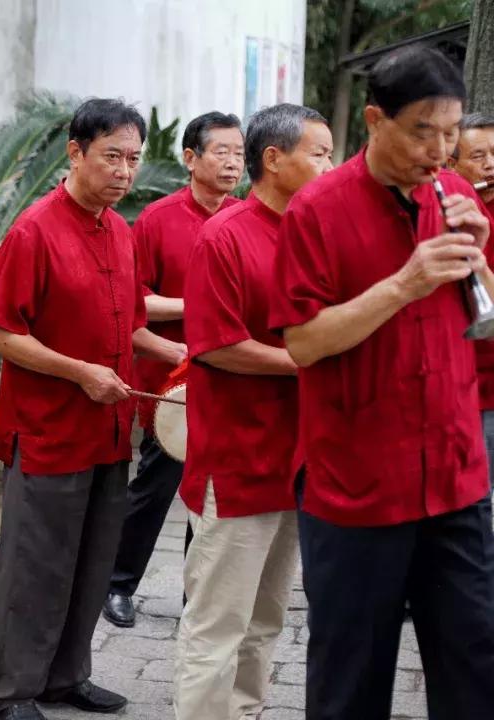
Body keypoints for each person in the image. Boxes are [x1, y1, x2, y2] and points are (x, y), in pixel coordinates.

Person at [269, 47, 494, 719]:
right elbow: (303, 343)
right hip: (357, 487)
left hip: (454, 475)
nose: (440, 151)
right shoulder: (316, 210)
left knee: (476, 667)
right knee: (350, 680)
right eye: (423, 132)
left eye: (450, 134)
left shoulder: (455, 195)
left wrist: (481, 264)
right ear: (375, 120)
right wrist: (403, 285)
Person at [0, 98, 155, 720]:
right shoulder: (34, 231)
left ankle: (65, 677)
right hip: (48, 431)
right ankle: (9, 691)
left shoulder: (122, 231)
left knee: (91, 561)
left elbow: (133, 324)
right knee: (36, 565)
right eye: (112, 156)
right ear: (75, 152)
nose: (124, 171)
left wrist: (188, 355)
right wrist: (81, 373)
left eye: (134, 158)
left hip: (108, 430)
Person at [172, 103, 333, 720]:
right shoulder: (225, 236)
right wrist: (307, 361)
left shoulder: (313, 233)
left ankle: (244, 711)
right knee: (218, 620)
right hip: (237, 461)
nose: (330, 166)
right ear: (274, 159)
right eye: (319, 154)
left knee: (267, 617)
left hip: (297, 457)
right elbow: (216, 346)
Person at [104, 111, 244, 628]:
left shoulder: (245, 217)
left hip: (231, 379)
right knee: (156, 485)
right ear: (190, 158)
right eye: (221, 152)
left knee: (211, 495)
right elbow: (132, 300)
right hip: (171, 379)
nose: (232, 163)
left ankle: (196, 598)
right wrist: (196, 307)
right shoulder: (157, 219)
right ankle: (118, 584)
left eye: (239, 153)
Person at [447, 113, 494, 482]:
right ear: (451, 164)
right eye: (478, 156)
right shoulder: (440, 211)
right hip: (462, 391)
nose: (490, 165)